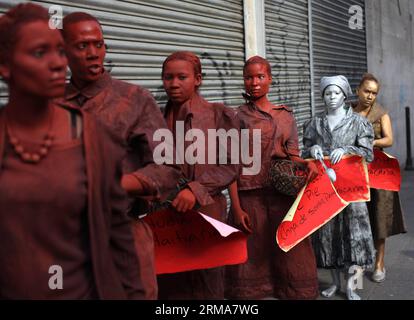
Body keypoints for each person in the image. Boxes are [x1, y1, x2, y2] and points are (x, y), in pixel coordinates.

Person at [0, 3, 142, 299]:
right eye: (40, 53)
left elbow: (119, 236)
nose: (56, 64)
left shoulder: (92, 137)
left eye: (59, 52)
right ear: (5, 65)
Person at [60, 12, 181, 299]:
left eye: (98, 45)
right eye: (82, 46)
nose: (93, 54)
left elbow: (167, 165)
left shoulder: (134, 99)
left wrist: (115, 183)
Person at [225, 56, 319, 300]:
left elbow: (292, 155)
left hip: (281, 195)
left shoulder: (285, 116)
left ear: (270, 79)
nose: (254, 82)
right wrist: (235, 207)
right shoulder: (236, 117)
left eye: (260, 76)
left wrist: (307, 163)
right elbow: (230, 166)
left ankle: (289, 288)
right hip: (250, 197)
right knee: (251, 253)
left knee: (290, 251)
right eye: (249, 77)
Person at [156, 51, 240, 299]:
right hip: (167, 217)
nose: (173, 84)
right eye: (167, 77)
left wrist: (196, 189)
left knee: (207, 281)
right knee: (172, 282)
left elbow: (232, 165)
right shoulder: (155, 119)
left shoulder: (219, 115)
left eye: (182, 77)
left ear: (198, 79)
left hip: (207, 213)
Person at [302, 75, 375, 300]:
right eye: (327, 93)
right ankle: (334, 283)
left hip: (351, 189)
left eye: (336, 93)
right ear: (322, 96)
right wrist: (313, 148)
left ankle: (353, 287)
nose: (331, 97)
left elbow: (368, 153)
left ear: (344, 95)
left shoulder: (359, 122)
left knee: (356, 236)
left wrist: (347, 150)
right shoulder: (315, 123)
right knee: (328, 236)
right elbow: (303, 151)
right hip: (326, 189)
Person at [353, 73, 407, 282]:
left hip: (379, 173)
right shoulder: (349, 112)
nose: (370, 96)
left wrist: (370, 142)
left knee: (380, 218)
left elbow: (389, 139)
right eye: (366, 91)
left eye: (374, 93)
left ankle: (379, 263)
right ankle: (358, 262)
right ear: (358, 90)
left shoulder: (381, 113)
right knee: (358, 220)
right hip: (355, 174)